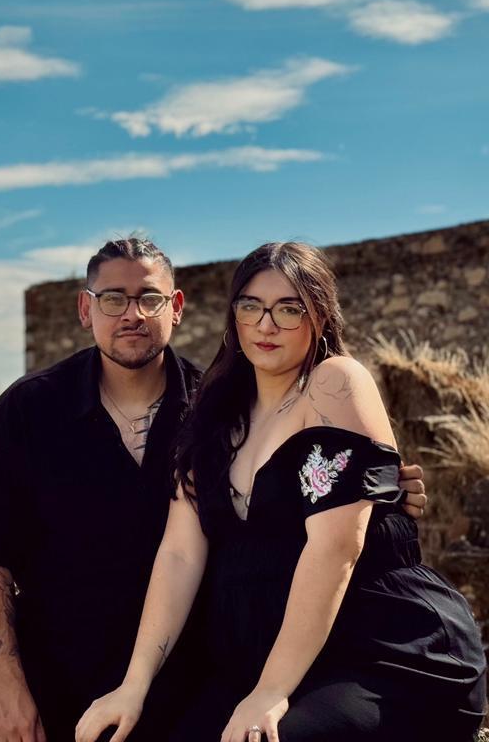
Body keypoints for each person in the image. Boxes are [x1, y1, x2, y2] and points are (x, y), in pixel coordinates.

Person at [0, 237, 426, 742]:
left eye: (149, 298)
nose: (132, 314)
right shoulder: (31, 408)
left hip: (183, 659)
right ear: (85, 310)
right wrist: (4, 685)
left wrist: (378, 492)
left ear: (175, 308)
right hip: (51, 645)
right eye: (113, 299)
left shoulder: (211, 406)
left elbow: (292, 516)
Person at [75, 241, 485, 742]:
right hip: (260, 660)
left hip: (380, 650)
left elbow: (336, 548)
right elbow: (180, 554)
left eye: (289, 309)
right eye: (251, 307)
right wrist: (134, 685)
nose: (266, 325)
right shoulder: (214, 414)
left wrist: (270, 692)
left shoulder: (334, 383)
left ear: (319, 316)